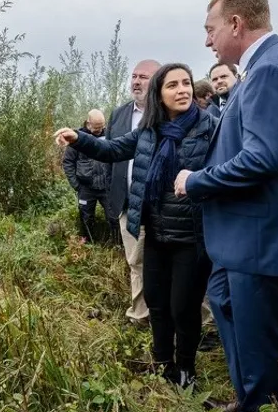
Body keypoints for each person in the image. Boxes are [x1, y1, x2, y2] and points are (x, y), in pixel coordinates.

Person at [175, 0, 278, 412]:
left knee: (258, 328)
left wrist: (196, 181)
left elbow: (263, 157)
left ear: (236, 24)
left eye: (211, 29)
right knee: (225, 300)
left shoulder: (271, 70)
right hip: (250, 231)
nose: (207, 41)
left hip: (260, 230)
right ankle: (249, 397)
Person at [56, 63, 216, 387]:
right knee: (157, 302)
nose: (182, 89)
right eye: (173, 85)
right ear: (160, 93)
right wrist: (79, 139)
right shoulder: (148, 130)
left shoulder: (210, 127)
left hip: (191, 236)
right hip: (155, 231)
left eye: (186, 83)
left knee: (183, 308)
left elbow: (225, 169)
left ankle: (186, 371)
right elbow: (112, 149)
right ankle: (162, 364)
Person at [107, 59, 161, 325]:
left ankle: (198, 320)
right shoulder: (119, 114)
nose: (136, 82)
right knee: (135, 261)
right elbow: (110, 155)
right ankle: (141, 315)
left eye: (144, 77)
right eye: (134, 76)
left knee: (176, 264)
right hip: (128, 204)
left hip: (162, 205)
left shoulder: (168, 113)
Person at [61, 109, 117, 243]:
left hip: (106, 187)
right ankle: (87, 243)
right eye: (96, 128)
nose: (99, 131)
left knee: (114, 217)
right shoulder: (77, 139)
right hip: (86, 188)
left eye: (102, 127)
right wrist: (76, 185)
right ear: (88, 123)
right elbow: (67, 162)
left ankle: (117, 245)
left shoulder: (110, 136)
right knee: (86, 218)